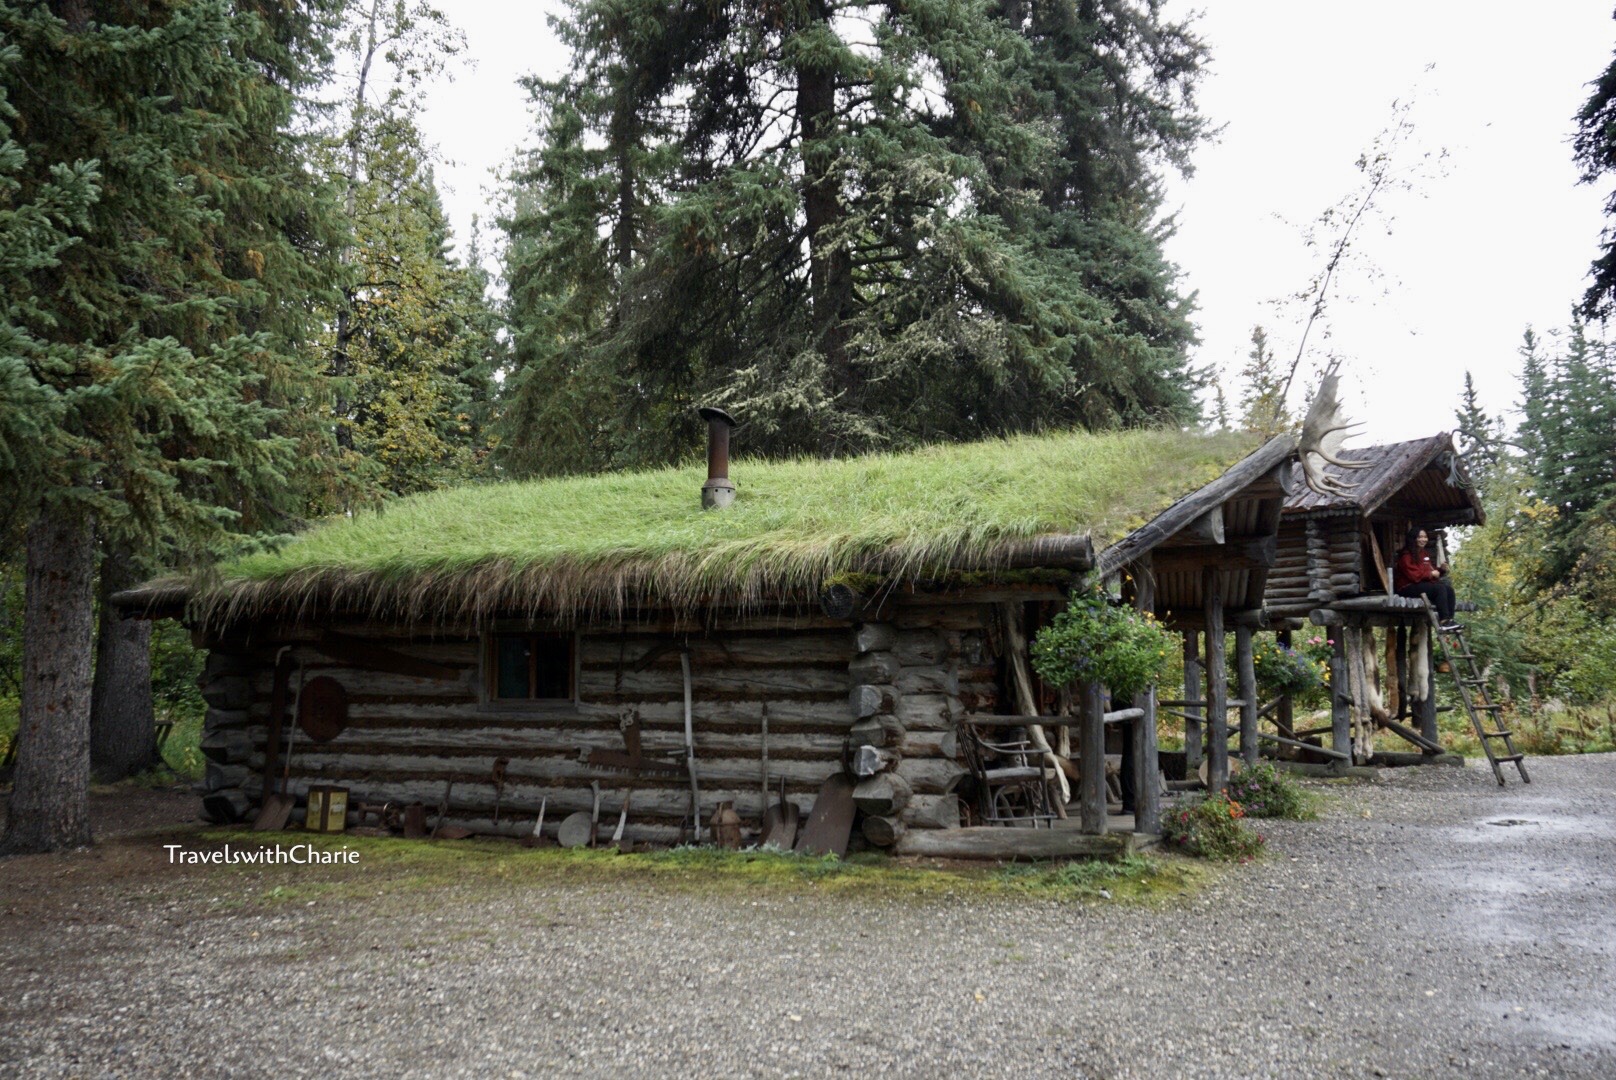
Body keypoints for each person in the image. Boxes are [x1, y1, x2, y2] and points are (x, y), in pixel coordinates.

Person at [1394, 527, 1461, 630]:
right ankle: (1444, 621)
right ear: (1413, 539)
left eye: (1425, 537)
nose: (1423, 539)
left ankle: (1449, 620)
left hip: (1419, 585)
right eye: (1420, 537)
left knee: (1449, 590)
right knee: (1439, 589)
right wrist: (1430, 574)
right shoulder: (1406, 556)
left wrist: (1441, 570)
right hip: (1406, 587)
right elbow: (1414, 576)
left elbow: (1430, 571)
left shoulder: (1424, 553)